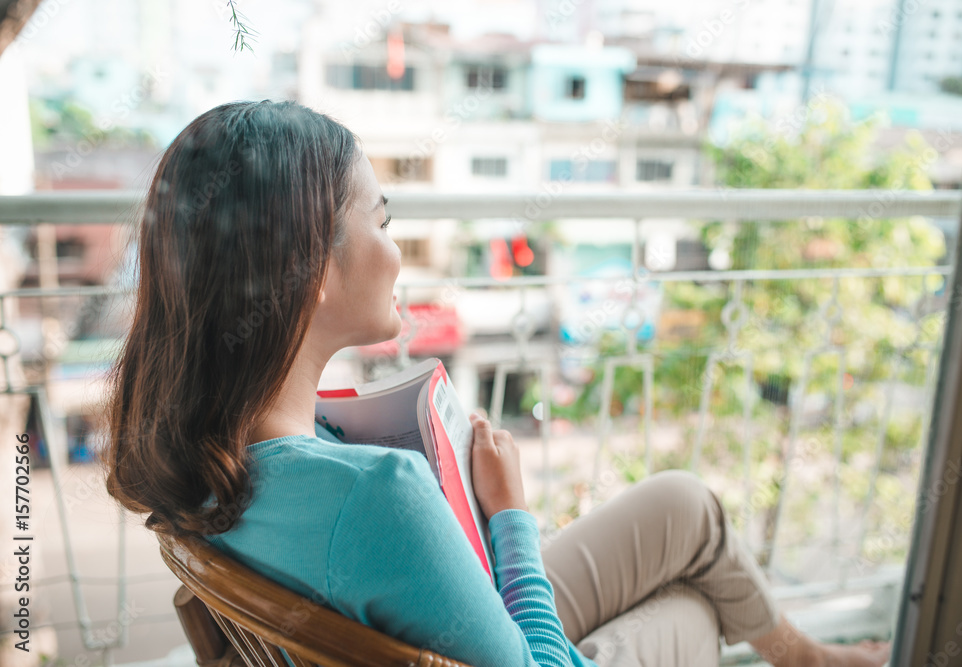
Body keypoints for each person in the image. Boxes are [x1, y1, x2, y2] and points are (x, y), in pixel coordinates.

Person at [101, 100, 891, 667]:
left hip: (425, 612)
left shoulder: (195, 453)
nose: (397, 249)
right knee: (689, 606)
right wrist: (509, 514)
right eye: (381, 218)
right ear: (309, 266)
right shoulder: (377, 493)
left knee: (682, 505)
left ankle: (805, 655)